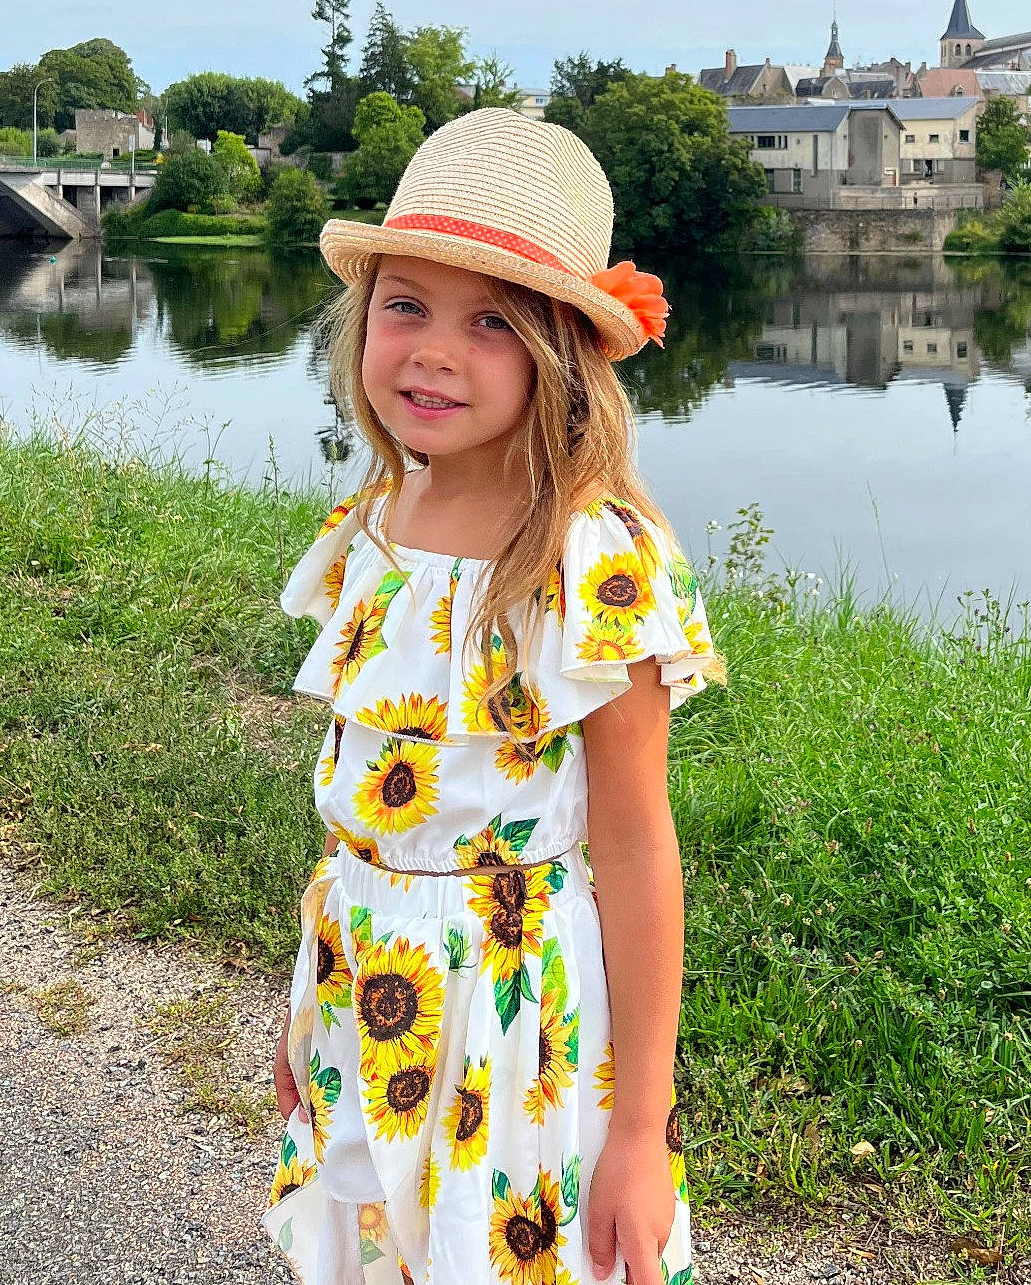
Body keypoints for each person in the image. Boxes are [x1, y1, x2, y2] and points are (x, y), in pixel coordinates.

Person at [261, 108, 723, 1285]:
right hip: (368, 987)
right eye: (404, 304)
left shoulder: (591, 554)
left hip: (519, 1027)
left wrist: (639, 1130)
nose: (431, 350)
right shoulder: (373, 525)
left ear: (562, 351)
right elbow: (363, 805)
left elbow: (634, 844)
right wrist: (305, 1000)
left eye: (490, 322)